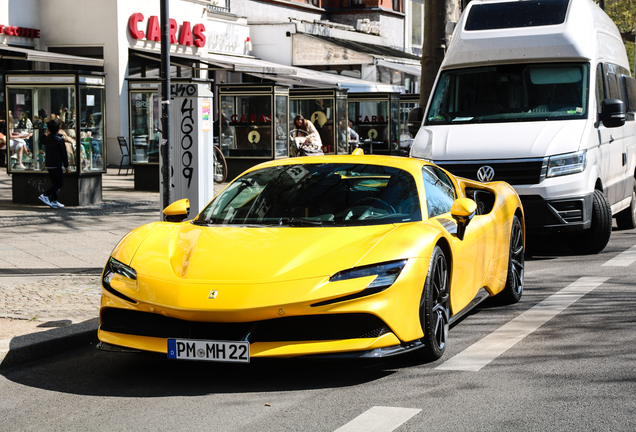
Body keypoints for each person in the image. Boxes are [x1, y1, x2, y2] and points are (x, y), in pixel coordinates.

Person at [38, 119, 70, 209]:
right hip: (56, 163)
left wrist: (46, 132)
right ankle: (45, 195)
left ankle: (54, 201)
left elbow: (41, 139)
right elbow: (63, 154)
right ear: (59, 128)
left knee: (55, 183)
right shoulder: (59, 139)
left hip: (49, 163)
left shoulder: (47, 138)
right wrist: (66, 166)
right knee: (59, 182)